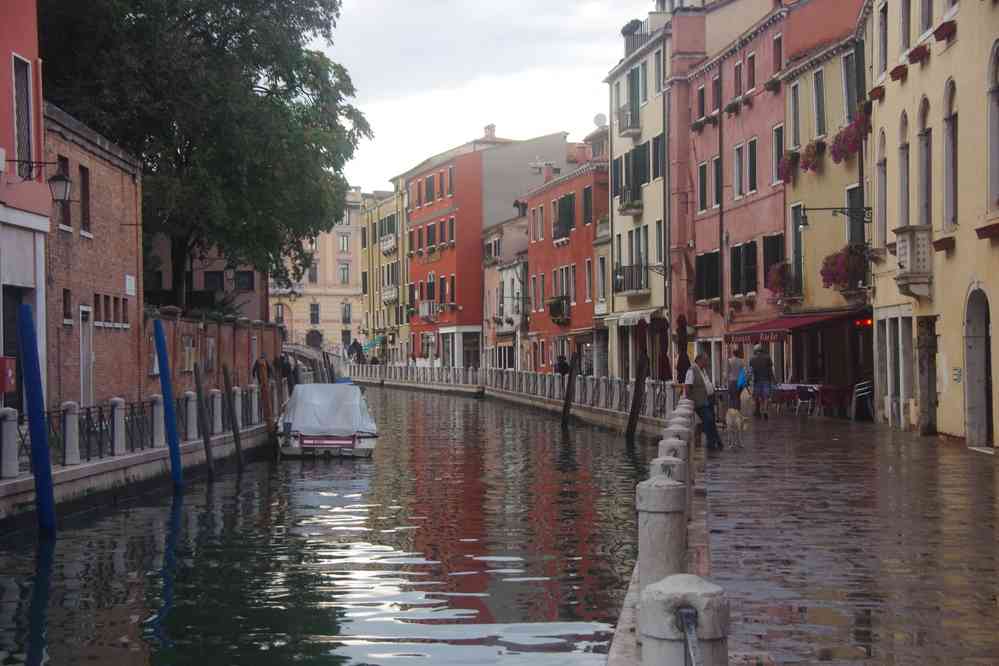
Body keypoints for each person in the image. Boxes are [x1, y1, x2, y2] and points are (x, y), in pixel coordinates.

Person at [684, 353, 723, 451]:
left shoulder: (703, 370)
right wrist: (691, 400)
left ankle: (716, 441)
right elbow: (687, 386)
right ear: (699, 360)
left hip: (708, 399)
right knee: (708, 419)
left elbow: (706, 383)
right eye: (705, 360)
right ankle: (711, 442)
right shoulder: (691, 370)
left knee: (712, 421)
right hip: (700, 401)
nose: (707, 362)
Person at [749, 344, 775, 419]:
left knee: (757, 397)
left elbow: (751, 371)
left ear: (755, 351)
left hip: (757, 381)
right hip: (766, 380)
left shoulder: (752, 359)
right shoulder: (768, 358)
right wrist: (773, 379)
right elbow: (770, 370)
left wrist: (748, 379)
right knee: (766, 396)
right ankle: (765, 411)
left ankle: (759, 410)